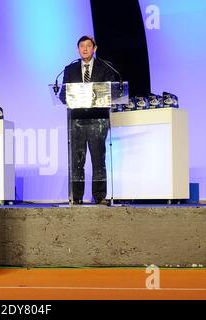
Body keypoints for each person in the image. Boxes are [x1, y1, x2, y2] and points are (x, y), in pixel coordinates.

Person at [59, 35, 117, 205]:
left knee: (98, 159)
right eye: (81, 46)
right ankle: (76, 197)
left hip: (98, 119)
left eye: (88, 45)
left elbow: (112, 91)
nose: (84, 48)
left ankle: (99, 196)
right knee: (77, 159)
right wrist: (70, 97)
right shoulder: (69, 69)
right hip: (77, 119)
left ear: (94, 48)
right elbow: (63, 95)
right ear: (78, 49)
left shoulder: (105, 67)